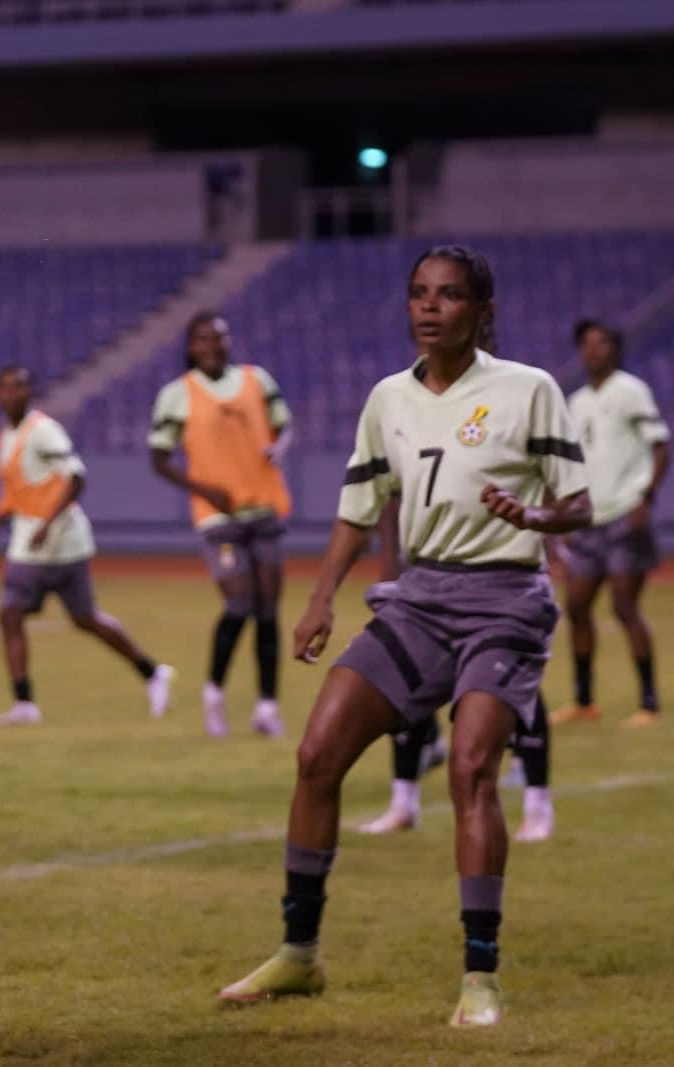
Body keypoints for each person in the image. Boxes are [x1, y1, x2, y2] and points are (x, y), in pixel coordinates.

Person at [217, 246, 590, 1028]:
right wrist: (320, 600)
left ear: (480, 311)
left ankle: (481, 977)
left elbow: (578, 505)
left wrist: (535, 516)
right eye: (419, 293)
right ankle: (299, 953)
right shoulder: (388, 396)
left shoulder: (529, 390)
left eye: (449, 296)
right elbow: (360, 506)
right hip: (417, 599)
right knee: (317, 755)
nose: (429, 307)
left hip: (505, 603)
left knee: (469, 770)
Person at [0, 364, 173, 725]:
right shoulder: (8, 436)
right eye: (6, 387)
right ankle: (151, 672)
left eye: (20, 386)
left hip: (52, 542)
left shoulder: (43, 431)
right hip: (40, 542)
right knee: (81, 618)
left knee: (16, 615)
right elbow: (19, 488)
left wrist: (46, 524)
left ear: (30, 391)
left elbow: (76, 478)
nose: (13, 393)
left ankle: (26, 705)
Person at [358, 495, 555, 842]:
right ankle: (403, 803)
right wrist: (390, 559)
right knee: (410, 675)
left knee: (507, 680)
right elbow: (390, 492)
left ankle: (538, 807)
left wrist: (544, 537)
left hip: (499, 572)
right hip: (430, 567)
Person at [149, 312, 293, 737]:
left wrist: (278, 447)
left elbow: (284, 426)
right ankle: (214, 693)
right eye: (202, 339)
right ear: (191, 347)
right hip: (218, 519)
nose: (212, 344)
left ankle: (267, 706)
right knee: (239, 604)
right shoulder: (178, 394)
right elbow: (159, 458)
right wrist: (203, 490)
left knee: (268, 610)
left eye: (219, 337)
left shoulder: (257, 380)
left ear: (230, 342)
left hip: (263, 509)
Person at [553, 319, 668, 727]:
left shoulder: (630, 391)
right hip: (588, 518)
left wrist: (645, 498)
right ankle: (584, 701)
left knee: (624, 605)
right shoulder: (576, 401)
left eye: (600, 343)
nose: (592, 350)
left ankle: (649, 703)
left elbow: (660, 445)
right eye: (585, 344)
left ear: (615, 349)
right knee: (577, 606)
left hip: (623, 513)